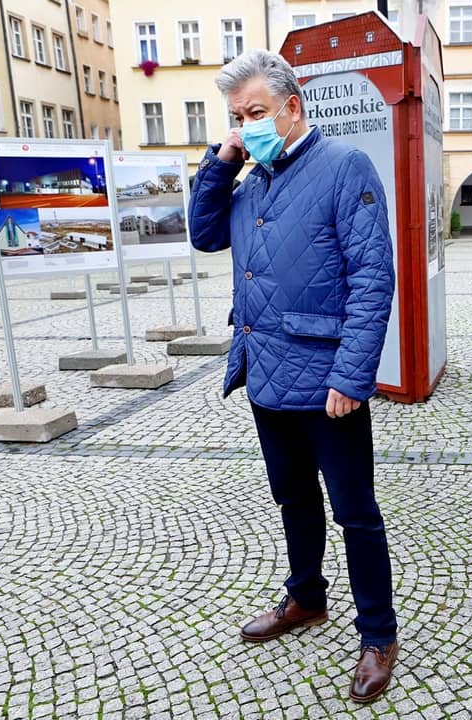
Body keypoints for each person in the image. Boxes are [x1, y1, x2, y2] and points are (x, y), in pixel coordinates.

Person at [187, 50, 399, 702]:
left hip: (329, 380)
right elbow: (203, 234)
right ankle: (306, 597)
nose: (245, 125)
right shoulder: (252, 181)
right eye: (236, 116)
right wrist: (223, 160)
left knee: (355, 512)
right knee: (293, 497)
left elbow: (372, 279)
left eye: (254, 113)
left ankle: (379, 633)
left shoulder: (343, 166)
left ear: (292, 106)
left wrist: (352, 377)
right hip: (266, 371)